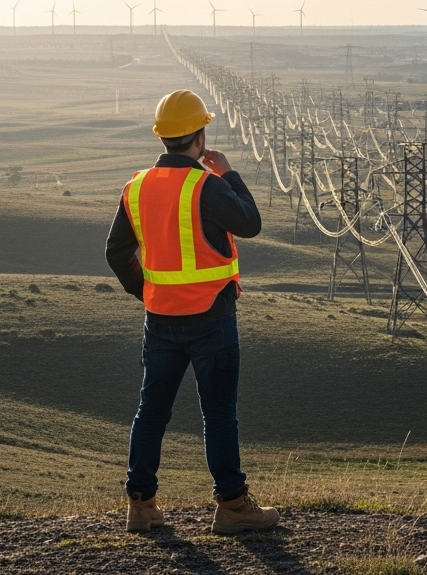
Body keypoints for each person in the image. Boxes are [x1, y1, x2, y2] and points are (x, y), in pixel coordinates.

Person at [105, 89, 279, 535]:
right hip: (211, 320)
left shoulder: (136, 186)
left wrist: (146, 292)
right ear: (200, 138)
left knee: (151, 411)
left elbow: (116, 252)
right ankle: (233, 506)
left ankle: (141, 506)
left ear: (163, 138)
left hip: (159, 321)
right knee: (219, 414)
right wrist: (231, 174)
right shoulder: (207, 185)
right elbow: (251, 224)